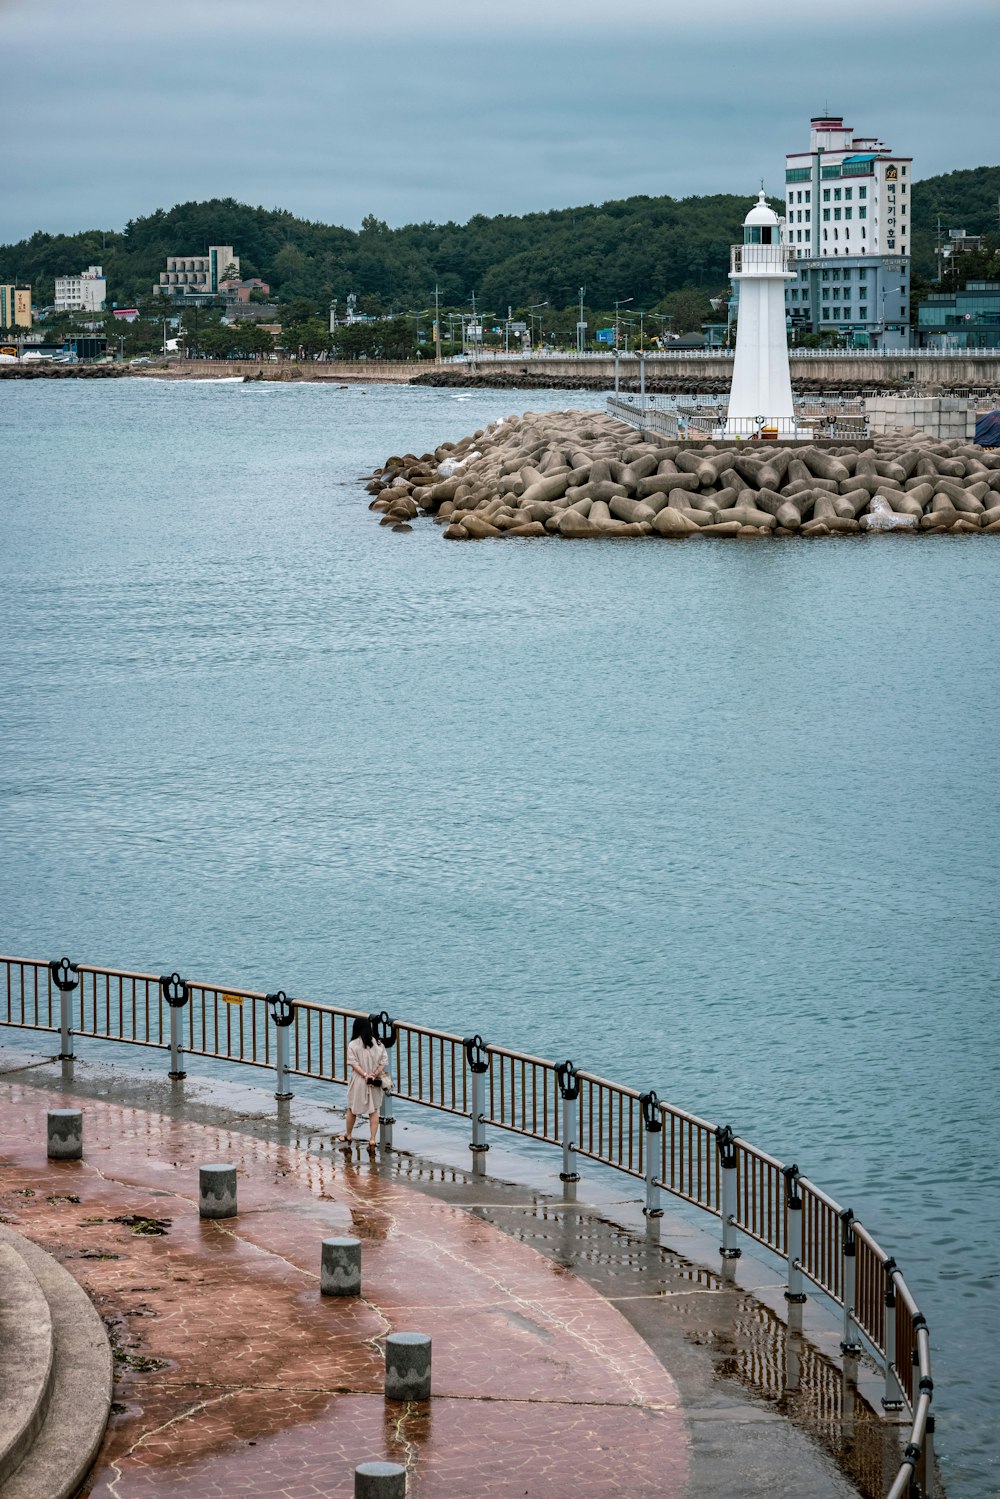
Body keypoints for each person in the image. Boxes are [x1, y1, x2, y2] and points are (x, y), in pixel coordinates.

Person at [337, 1016, 387, 1151]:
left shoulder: (353, 1045)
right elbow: (383, 1062)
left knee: (352, 1109)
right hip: (374, 1081)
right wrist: (374, 1074)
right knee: (374, 1110)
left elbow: (353, 1064)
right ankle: (372, 1139)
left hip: (360, 1080)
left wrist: (365, 1075)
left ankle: (348, 1134)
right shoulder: (378, 1043)